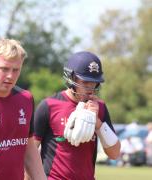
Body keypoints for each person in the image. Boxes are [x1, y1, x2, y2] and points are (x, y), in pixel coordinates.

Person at [33, 51, 121, 179]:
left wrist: (97, 123)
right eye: (85, 82)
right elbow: (30, 152)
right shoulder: (48, 106)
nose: (91, 88)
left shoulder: (100, 108)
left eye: (94, 82)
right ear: (70, 78)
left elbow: (115, 153)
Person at [0, 38, 46, 180]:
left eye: (16, 70)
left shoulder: (26, 99)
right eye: (4, 69)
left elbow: (29, 146)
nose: (10, 76)